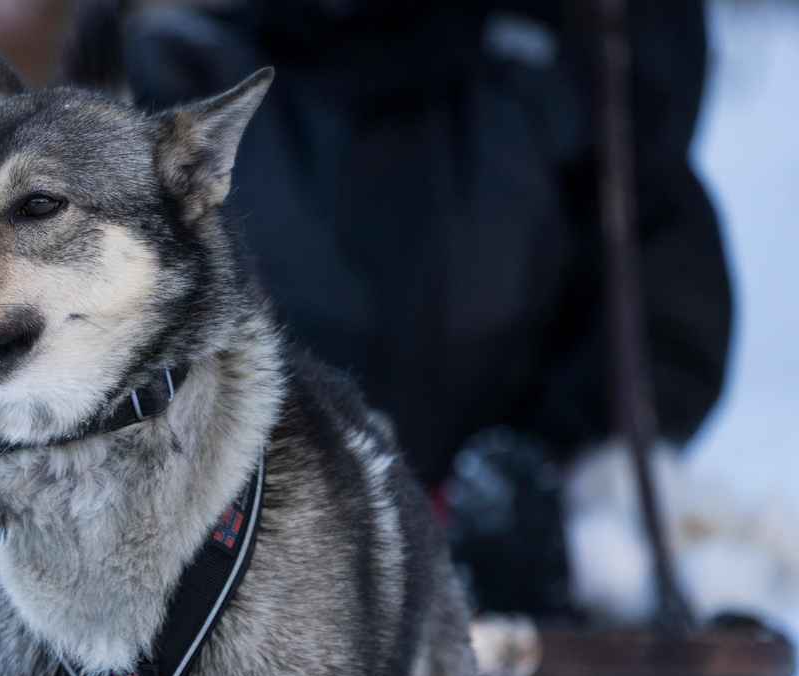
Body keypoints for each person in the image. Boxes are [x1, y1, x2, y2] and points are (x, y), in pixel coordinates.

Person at [124, 0, 732, 616]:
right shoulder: (170, 56)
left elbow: (662, 295)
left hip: (528, 590)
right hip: (240, 574)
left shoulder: (575, 49)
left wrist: (557, 472)